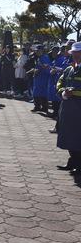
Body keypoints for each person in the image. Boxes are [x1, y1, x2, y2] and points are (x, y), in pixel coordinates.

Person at [56, 42, 81, 175]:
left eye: (79, 53)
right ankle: (73, 161)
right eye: (74, 53)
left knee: (78, 137)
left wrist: (74, 92)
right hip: (67, 107)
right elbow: (60, 82)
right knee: (68, 135)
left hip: (79, 108)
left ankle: (78, 163)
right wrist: (63, 92)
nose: (76, 56)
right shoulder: (69, 69)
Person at [32, 45, 51, 113]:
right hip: (39, 78)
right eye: (36, 50)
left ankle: (43, 107)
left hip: (43, 78)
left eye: (38, 50)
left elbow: (47, 67)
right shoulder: (39, 58)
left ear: (42, 50)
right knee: (37, 92)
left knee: (42, 93)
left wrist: (38, 70)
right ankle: (38, 106)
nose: (36, 52)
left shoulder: (45, 57)